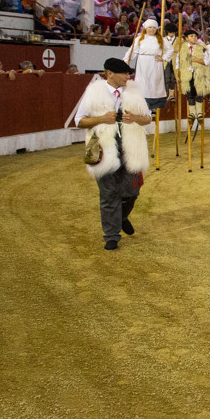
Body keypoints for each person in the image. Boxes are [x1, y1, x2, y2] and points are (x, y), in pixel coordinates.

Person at [74, 58, 152, 250]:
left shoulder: (134, 91)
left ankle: (122, 216)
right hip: (101, 145)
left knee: (132, 191)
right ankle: (111, 235)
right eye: (124, 73)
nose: (128, 76)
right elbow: (79, 121)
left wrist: (134, 118)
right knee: (109, 193)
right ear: (110, 73)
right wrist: (101, 119)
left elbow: (148, 118)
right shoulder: (93, 92)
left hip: (130, 146)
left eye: (128, 73)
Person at [125, 19, 168, 111]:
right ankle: (142, 104)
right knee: (142, 83)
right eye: (150, 27)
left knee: (154, 83)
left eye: (154, 28)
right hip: (143, 62)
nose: (152, 29)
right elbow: (133, 50)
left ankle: (153, 106)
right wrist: (127, 60)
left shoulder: (161, 39)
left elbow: (170, 50)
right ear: (146, 28)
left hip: (155, 63)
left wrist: (164, 57)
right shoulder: (140, 39)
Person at [177, 29, 210, 122]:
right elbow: (177, 62)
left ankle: (199, 112)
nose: (194, 38)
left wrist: (196, 60)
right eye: (191, 36)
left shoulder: (202, 47)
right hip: (186, 72)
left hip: (199, 72)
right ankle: (192, 112)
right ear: (187, 38)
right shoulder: (182, 48)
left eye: (195, 36)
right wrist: (177, 75)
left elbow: (207, 61)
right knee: (189, 92)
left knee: (199, 91)